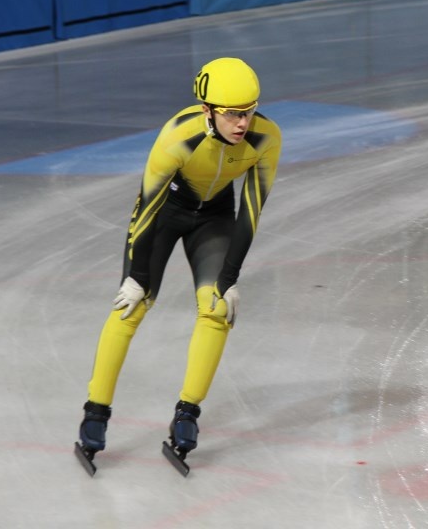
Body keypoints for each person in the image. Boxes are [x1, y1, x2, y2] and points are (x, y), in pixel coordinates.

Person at [76, 57, 282, 471]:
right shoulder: (178, 137)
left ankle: (187, 413)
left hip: (215, 217)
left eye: (250, 111)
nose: (243, 123)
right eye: (232, 114)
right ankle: (96, 412)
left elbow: (251, 212)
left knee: (218, 309)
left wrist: (229, 279)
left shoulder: (266, 137)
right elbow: (146, 209)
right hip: (166, 211)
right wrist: (137, 275)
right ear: (207, 110)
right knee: (131, 306)